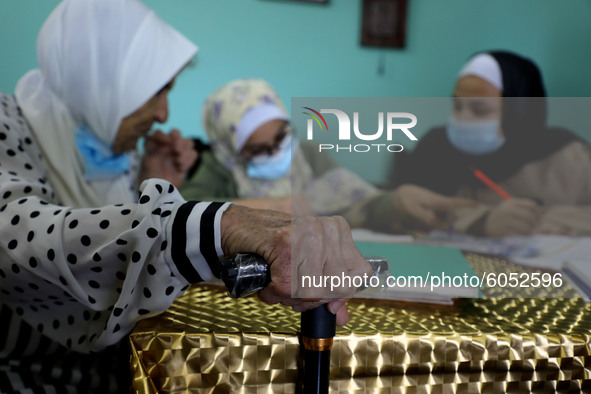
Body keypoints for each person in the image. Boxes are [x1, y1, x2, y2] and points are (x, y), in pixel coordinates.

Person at [0, 0, 371, 392]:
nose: (163, 114)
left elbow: (116, 265)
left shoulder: (114, 155)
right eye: (157, 91)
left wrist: (152, 183)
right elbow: (18, 238)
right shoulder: (6, 122)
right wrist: (217, 224)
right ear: (108, 77)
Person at [180, 78, 474, 234]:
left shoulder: (307, 154)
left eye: (281, 136)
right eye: (258, 149)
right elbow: (186, 214)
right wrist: (269, 206)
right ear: (231, 149)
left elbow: (356, 206)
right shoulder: (218, 166)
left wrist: (396, 201)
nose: (276, 151)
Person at [392, 50, 591, 237]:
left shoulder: (570, 157)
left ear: (519, 112)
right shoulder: (436, 149)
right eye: (457, 106)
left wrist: (549, 221)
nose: (463, 119)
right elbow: (402, 209)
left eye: (480, 110)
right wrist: (482, 221)